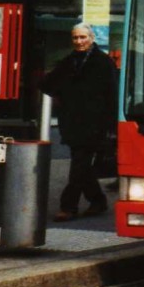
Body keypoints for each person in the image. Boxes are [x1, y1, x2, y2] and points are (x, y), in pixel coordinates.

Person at [41, 22, 117, 222]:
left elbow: (111, 95)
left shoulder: (103, 62)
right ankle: (97, 200)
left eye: (83, 37)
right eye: (75, 38)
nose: (79, 41)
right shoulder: (69, 61)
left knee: (79, 163)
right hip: (72, 122)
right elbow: (47, 84)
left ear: (92, 38)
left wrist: (110, 124)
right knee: (81, 164)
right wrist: (63, 97)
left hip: (94, 122)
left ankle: (68, 206)